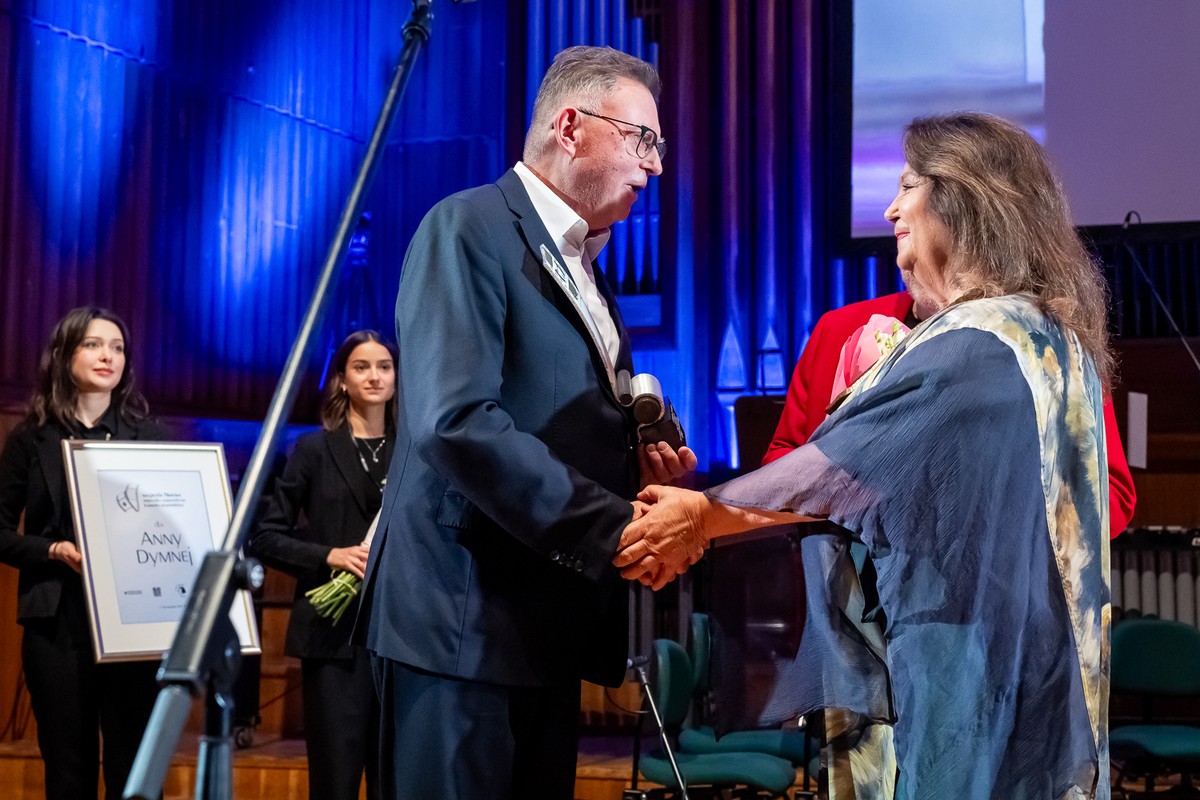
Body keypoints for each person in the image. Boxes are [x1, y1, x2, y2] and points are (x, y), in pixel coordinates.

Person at [616, 113, 1113, 799]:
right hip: (1031, 665)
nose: (889, 209)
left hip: (966, 673)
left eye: (908, 186)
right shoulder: (1049, 338)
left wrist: (699, 517)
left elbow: (834, 473)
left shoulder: (974, 345)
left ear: (960, 203)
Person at [355, 45, 695, 800]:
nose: (656, 166)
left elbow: (549, 419)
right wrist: (616, 529)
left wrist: (639, 473)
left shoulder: (589, 273)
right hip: (459, 627)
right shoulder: (467, 227)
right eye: (644, 139)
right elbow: (456, 421)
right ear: (571, 127)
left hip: (541, 626)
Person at [764, 290, 1137, 535]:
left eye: (912, 188)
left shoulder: (1048, 342)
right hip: (840, 621)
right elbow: (781, 460)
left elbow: (1110, 498)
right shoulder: (840, 328)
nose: (890, 210)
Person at [0, 307, 165, 800]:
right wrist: (52, 549)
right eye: (94, 344)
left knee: (132, 767)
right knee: (67, 768)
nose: (107, 356)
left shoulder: (150, 437)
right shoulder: (31, 437)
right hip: (58, 622)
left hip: (134, 623)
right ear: (64, 354)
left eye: (116, 347)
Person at [249, 330, 396, 800]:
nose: (374, 376)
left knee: (394, 780)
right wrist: (328, 556)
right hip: (334, 638)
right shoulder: (314, 449)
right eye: (361, 366)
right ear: (341, 380)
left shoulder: (416, 452)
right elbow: (265, 535)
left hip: (401, 637)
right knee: (335, 778)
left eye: (384, 366)